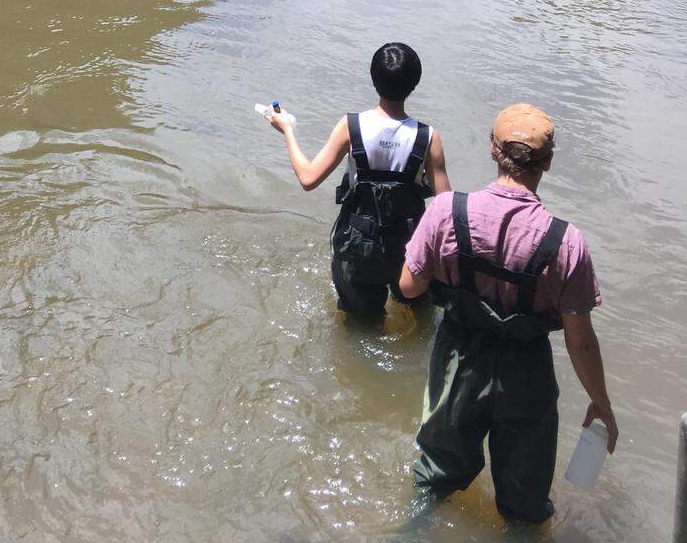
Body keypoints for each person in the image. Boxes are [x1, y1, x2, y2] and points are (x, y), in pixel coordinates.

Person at [397, 103, 619, 522]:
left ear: (492, 150)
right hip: (527, 378)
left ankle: (413, 532)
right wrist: (601, 402)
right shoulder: (566, 243)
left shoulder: (446, 212)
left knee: (435, 480)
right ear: (548, 162)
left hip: (457, 365)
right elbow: (580, 340)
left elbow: (409, 287)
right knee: (525, 504)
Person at [265, 43, 451, 316]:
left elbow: (308, 178)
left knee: (360, 325)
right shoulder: (428, 137)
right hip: (408, 244)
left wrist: (287, 130)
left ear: (374, 80)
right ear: (415, 84)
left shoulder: (351, 127)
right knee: (417, 317)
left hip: (357, 242)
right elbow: (445, 208)